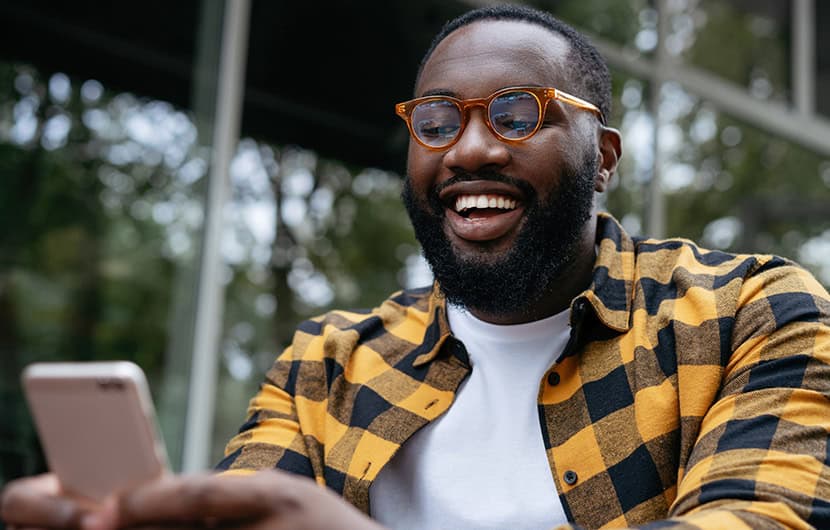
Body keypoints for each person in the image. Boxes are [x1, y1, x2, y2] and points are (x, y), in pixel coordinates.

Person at [3, 4, 830, 530]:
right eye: (435, 120)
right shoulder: (327, 366)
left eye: (517, 114)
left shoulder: (750, 316)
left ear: (603, 156)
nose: (469, 148)